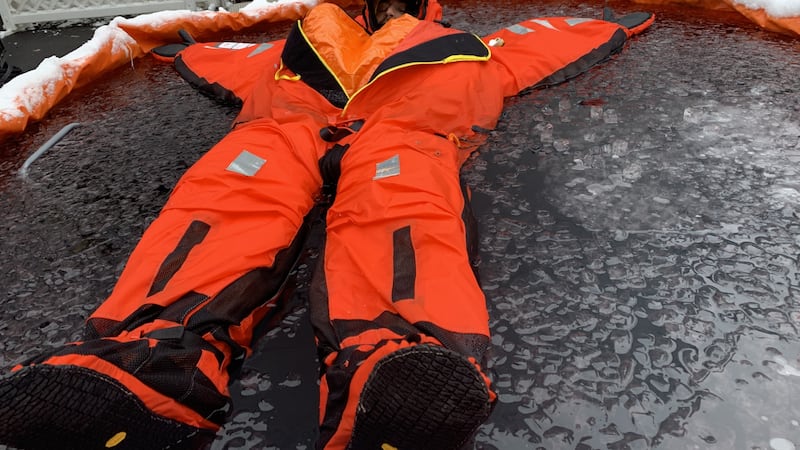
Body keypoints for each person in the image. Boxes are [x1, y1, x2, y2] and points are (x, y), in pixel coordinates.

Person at [0, 1, 653, 449]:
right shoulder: (297, 44)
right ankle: (145, 359)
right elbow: (223, 56)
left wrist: (614, 24)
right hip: (283, 128)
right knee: (229, 193)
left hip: (407, 134)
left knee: (402, 204)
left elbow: (547, 39)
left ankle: (394, 362)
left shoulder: (473, 49)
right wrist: (182, 51)